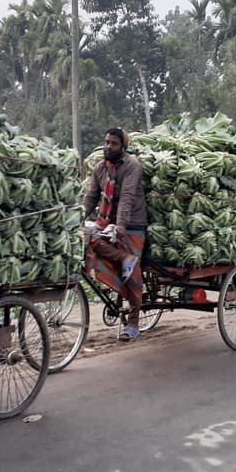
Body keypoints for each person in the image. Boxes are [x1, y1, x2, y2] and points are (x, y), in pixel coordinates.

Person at [83, 128, 148, 341]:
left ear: (123, 147)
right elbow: (92, 196)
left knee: (131, 273)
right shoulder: (100, 168)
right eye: (106, 142)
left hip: (132, 223)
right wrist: (76, 219)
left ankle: (134, 322)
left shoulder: (132, 166)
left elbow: (128, 197)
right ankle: (122, 259)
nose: (108, 146)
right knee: (89, 241)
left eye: (113, 143)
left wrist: (120, 226)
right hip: (107, 220)